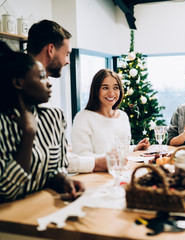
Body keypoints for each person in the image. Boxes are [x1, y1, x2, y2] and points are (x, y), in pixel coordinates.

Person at [0, 42, 84, 202]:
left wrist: (64, 181)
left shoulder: (55, 118)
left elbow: (55, 170)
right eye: (41, 77)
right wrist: (28, 135)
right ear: (18, 83)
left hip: (45, 207)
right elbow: (6, 190)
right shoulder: (3, 123)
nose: (49, 82)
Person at [27, 19, 106, 173]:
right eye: (67, 54)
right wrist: (96, 163)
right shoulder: (24, 93)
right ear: (51, 50)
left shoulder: (41, 89)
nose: (68, 61)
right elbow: (45, 159)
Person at [71, 69, 150, 171]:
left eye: (116, 88)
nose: (111, 93)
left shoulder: (123, 116)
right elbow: (81, 156)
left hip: (120, 172)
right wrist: (109, 160)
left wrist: (134, 148)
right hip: (95, 176)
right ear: (96, 90)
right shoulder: (83, 118)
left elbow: (119, 151)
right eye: (105, 88)